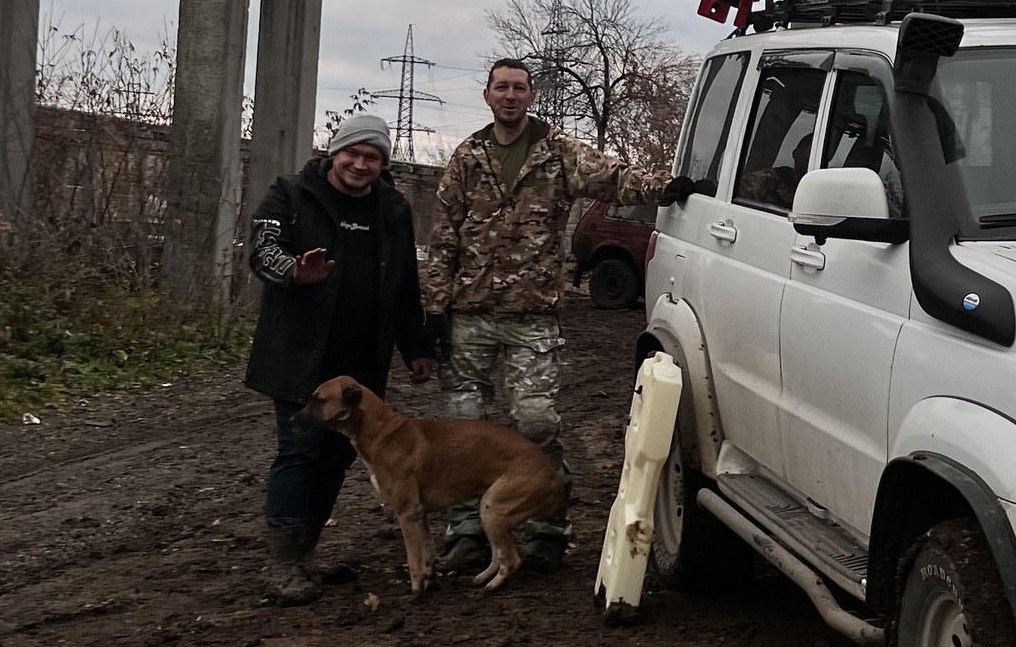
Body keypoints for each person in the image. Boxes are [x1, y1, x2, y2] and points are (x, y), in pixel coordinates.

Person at [423, 58, 689, 572]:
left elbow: (614, 178)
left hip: (532, 315)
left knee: (535, 422)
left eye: (519, 88)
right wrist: (435, 309)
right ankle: (466, 531)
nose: (510, 96)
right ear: (487, 95)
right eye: (501, 87)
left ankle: (548, 526)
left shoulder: (557, 153)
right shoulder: (467, 156)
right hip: (469, 312)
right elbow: (443, 237)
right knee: (463, 428)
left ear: (530, 96)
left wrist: (668, 187)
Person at [244, 110, 434, 603]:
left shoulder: (392, 208)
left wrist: (415, 347)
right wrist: (293, 271)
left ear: (383, 163)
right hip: (300, 356)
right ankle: (282, 563)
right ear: (335, 151)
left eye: (373, 157)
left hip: (362, 364)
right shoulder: (290, 193)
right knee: (300, 450)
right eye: (353, 153)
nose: (361, 164)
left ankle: (306, 554)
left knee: (336, 459)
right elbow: (262, 250)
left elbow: (404, 286)